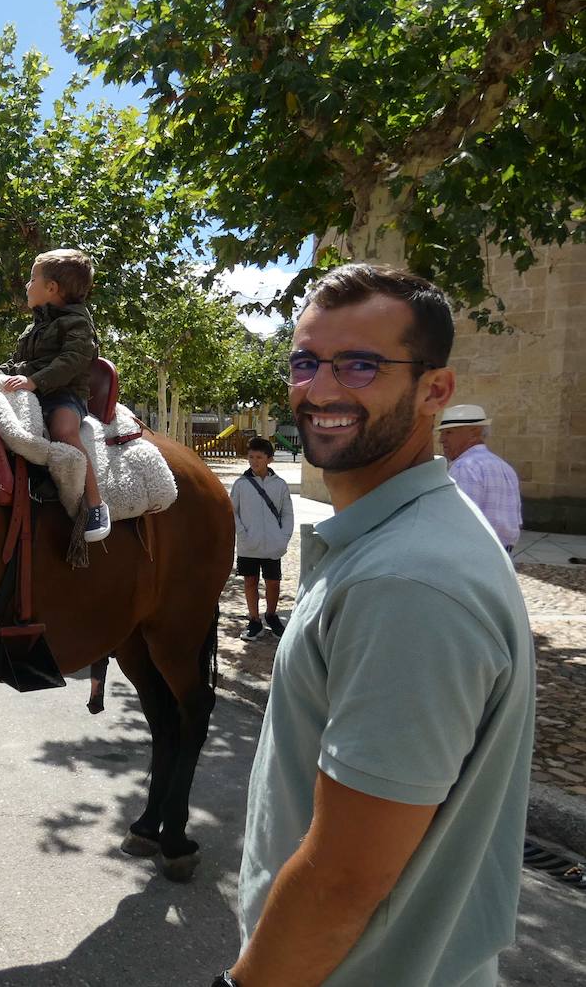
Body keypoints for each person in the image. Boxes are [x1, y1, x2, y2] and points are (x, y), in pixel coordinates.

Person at [220, 264, 534, 987]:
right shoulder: (394, 542)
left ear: (435, 390)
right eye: (306, 361)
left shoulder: (405, 581)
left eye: (361, 364)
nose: (322, 389)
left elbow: (343, 880)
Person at [0, 248, 109, 542]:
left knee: (63, 429)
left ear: (51, 288)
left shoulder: (77, 323)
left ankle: (95, 504)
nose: (26, 285)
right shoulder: (35, 326)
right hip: (35, 390)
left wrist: (35, 381)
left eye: (32, 279)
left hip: (65, 394)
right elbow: (19, 363)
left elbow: (72, 360)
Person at [230, 436, 294, 640]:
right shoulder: (241, 484)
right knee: (250, 581)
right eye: (251, 457)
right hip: (248, 545)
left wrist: (283, 537)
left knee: (273, 582)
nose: (254, 461)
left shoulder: (280, 485)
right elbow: (233, 513)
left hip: (273, 545)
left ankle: (272, 615)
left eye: (259, 457)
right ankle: (254, 620)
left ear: (269, 459)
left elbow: (287, 513)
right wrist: (242, 534)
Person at [438, 403, 521, 553]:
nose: (441, 440)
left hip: (476, 554)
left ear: (474, 432)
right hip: (503, 553)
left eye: (448, 433)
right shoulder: (504, 467)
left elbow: (460, 522)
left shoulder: (465, 467)